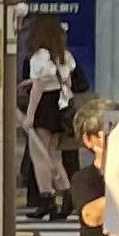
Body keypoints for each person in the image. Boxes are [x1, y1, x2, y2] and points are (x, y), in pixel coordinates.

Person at [24, 16, 80, 218]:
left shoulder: (40, 56)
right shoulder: (64, 56)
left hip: (43, 107)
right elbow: (69, 85)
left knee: (39, 156)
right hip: (59, 106)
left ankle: (46, 197)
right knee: (55, 156)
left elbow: (37, 88)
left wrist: (29, 116)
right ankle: (67, 195)